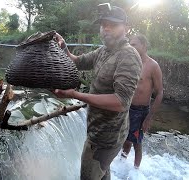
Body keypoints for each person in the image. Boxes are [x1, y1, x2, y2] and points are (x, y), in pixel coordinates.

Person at [53, 3, 142, 180]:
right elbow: (77, 62)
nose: (106, 29)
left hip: (105, 139)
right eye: (103, 25)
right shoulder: (104, 51)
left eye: (113, 25)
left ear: (126, 28)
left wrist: (74, 94)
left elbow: (120, 102)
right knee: (102, 175)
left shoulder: (128, 56)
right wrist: (63, 48)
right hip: (97, 131)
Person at [121, 34, 163, 168]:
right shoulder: (131, 63)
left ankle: (136, 172)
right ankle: (121, 164)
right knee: (125, 139)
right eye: (130, 44)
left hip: (141, 112)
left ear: (144, 46)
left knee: (137, 143)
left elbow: (160, 93)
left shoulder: (153, 66)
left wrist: (149, 118)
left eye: (134, 45)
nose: (130, 47)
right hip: (127, 108)